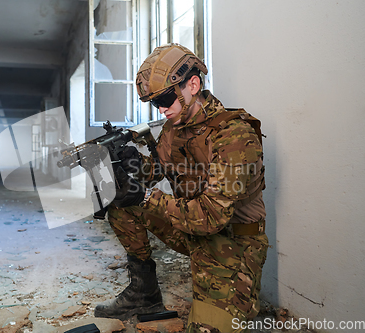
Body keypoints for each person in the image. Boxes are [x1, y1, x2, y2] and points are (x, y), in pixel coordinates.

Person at [94, 43, 269, 333]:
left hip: (231, 244)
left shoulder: (234, 135)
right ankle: (144, 295)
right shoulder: (174, 128)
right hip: (190, 230)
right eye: (154, 103)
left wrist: (147, 196)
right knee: (121, 202)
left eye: (165, 98)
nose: (162, 109)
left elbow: (212, 217)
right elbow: (158, 170)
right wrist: (132, 163)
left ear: (193, 84)